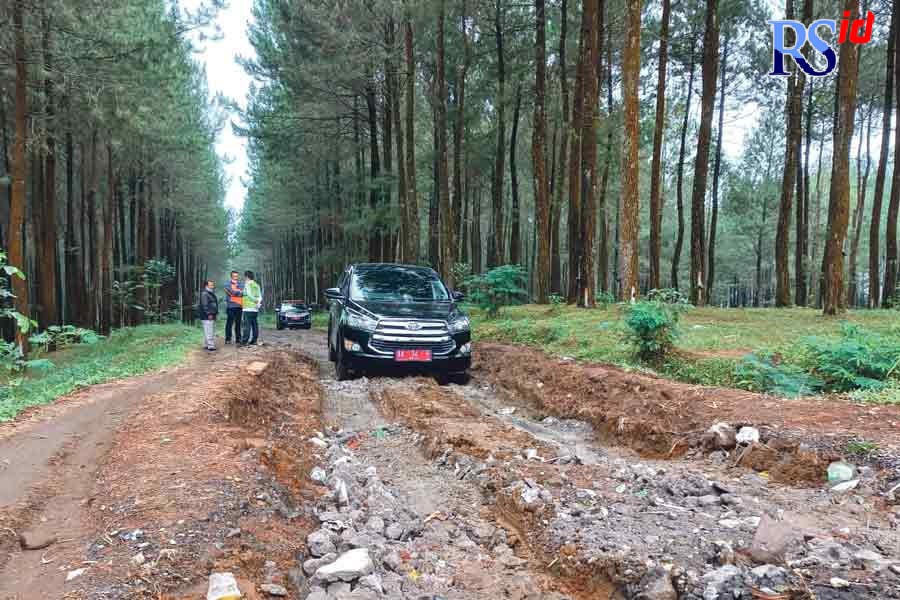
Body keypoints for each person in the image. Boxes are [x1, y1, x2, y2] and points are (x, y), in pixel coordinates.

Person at [242, 270, 263, 345]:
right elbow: (260, 296)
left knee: (247, 325)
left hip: (248, 307)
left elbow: (249, 294)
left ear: (247, 277)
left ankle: (244, 341)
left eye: (245, 277)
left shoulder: (247, 284)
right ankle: (254, 340)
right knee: (254, 324)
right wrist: (258, 302)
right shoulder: (257, 285)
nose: (245, 278)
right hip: (255, 309)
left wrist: (255, 301)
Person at [223, 270, 244, 345]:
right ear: (231, 276)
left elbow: (243, 292)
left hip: (239, 306)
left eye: (237, 276)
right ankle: (228, 338)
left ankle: (238, 339)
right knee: (229, 323)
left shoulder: (241, 284)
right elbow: (231, 292)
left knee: (238, 323)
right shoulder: (227, 284)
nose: (236, 277)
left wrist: (235, 292)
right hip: (230, 306)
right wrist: (238, 292)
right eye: (234, 276)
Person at [199, 279, 219, 351]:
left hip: (209, 315)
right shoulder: (205, 293)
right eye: (211, 284)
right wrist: (209, 314)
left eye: (213, 284)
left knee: (207, 330)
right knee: (209, 330)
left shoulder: (209, 293)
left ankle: (205, 344)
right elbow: (205, 305)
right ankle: (211, 346)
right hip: (207, 315)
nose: (213, 286)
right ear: (206, 285)